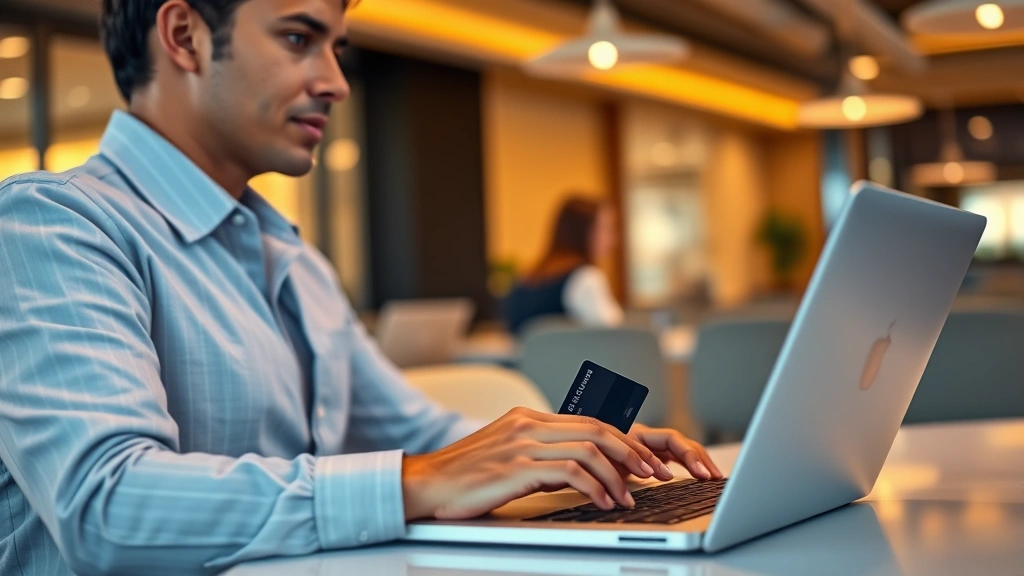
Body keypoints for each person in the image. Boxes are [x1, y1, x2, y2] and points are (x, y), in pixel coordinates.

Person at [0, 1, 721, 574]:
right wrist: (419, 481)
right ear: (184, 36)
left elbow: (422, 436)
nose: (336, 81)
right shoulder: (51, 226)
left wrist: (566, 449)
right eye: (297, 39)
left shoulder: (291, 258)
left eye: (336, 47)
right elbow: (106, 505)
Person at [504, 196, 625, 333]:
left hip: (533, 355)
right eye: (606, 229)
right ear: (584, 232)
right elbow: (615, 337)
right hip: (579, 355)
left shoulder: (526, 278)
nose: (613, 239)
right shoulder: (586, 277)